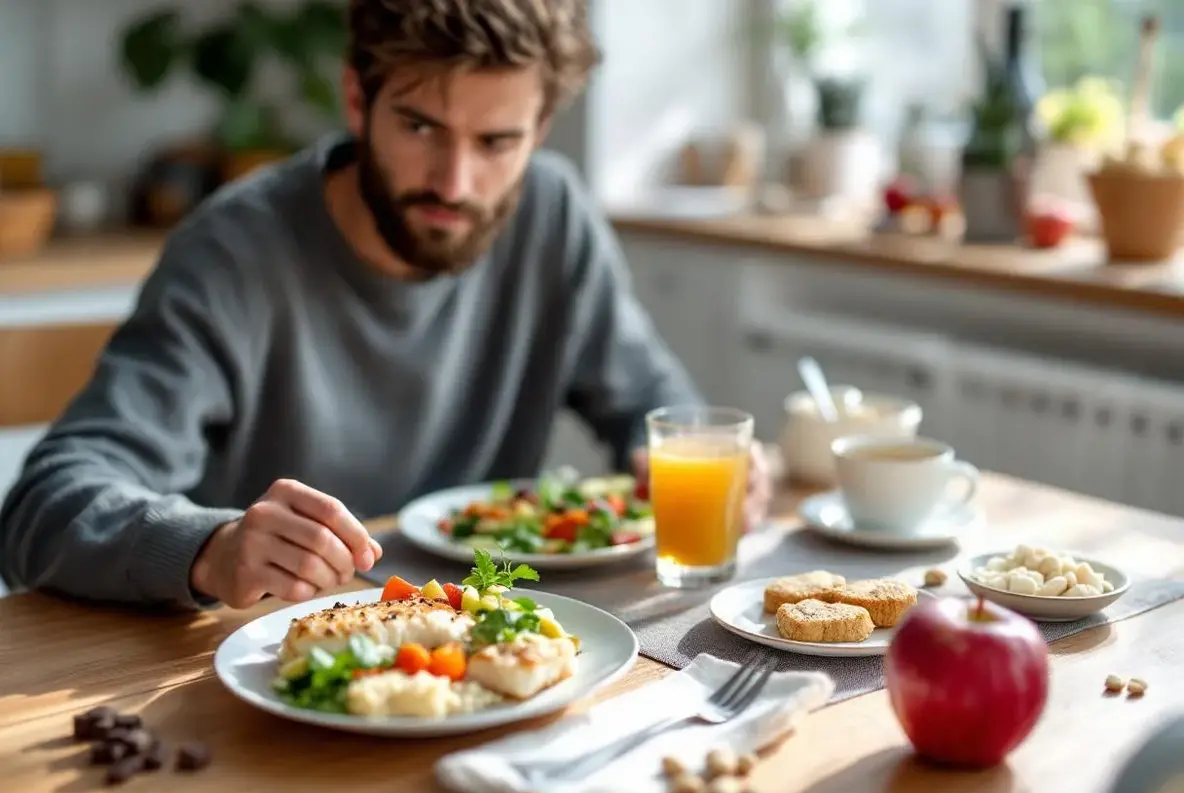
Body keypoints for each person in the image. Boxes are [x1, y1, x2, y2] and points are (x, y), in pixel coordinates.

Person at [0, 0, 771, 612]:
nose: (454, 181)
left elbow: (655, 408)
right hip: (260, 670)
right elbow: (42, 507)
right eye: (420, 125)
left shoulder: (553, 215)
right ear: (356, 97)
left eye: (497, 141)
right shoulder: (234, 251)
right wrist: (212, 547)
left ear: (539, 132)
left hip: (486, 651)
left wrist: (702, 466)